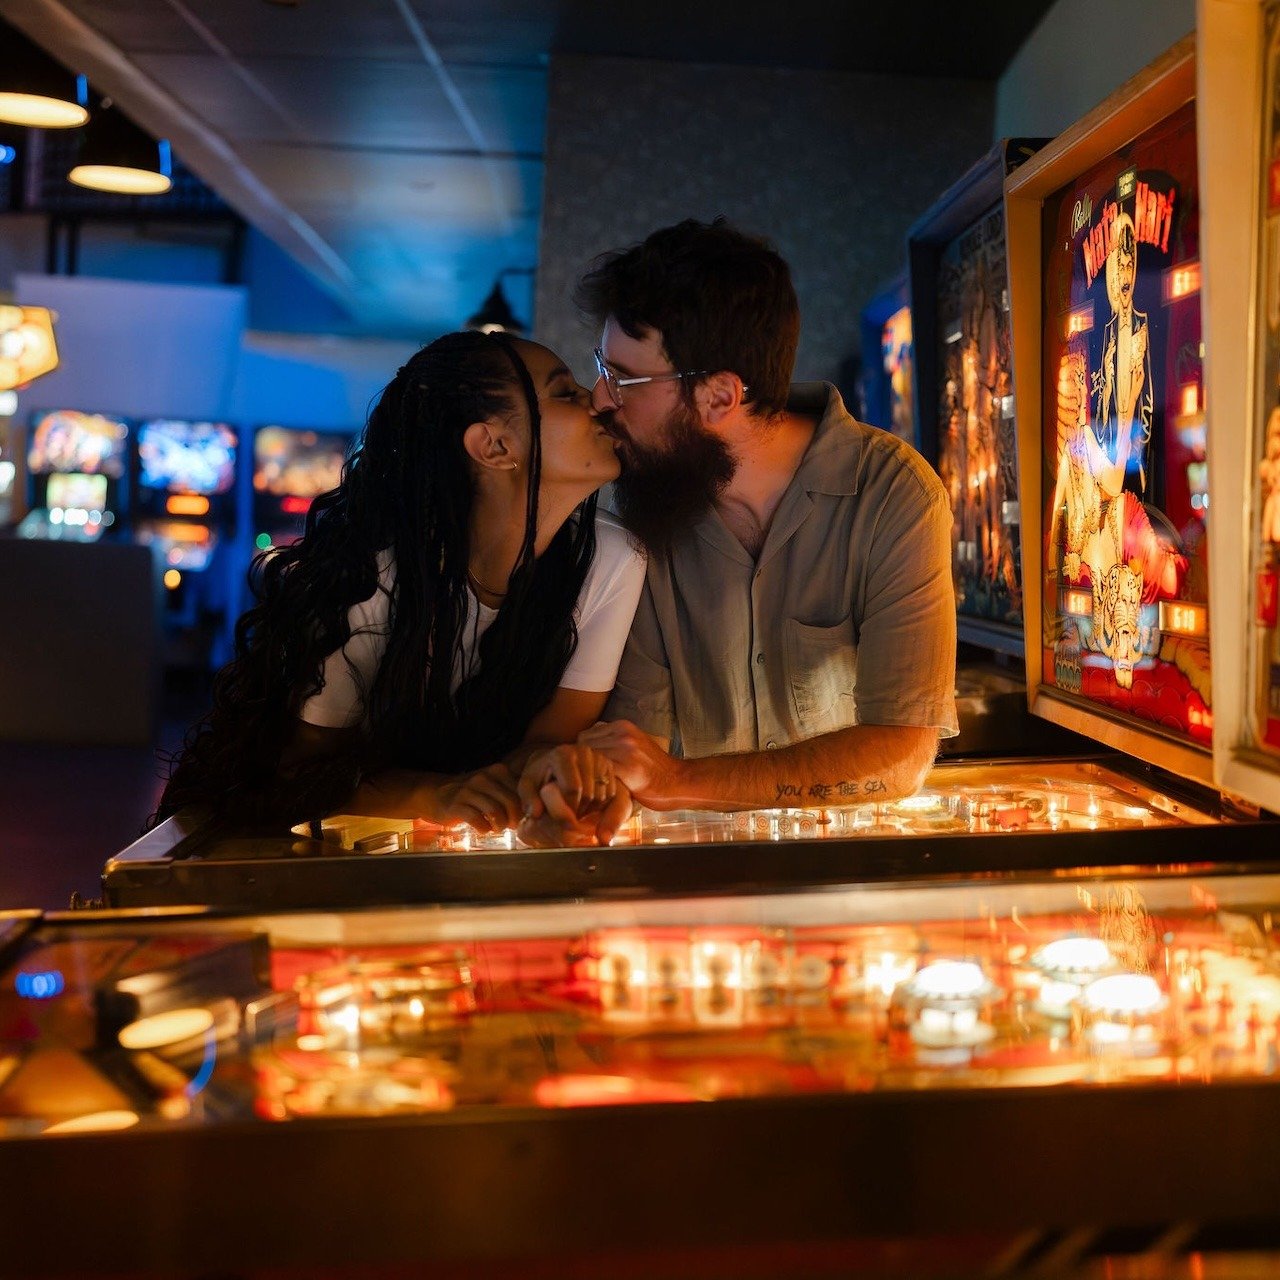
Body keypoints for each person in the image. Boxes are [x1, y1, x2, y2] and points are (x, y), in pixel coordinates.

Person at [155, 330, 645, 844]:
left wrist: (548, 783)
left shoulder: (614, 559)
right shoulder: (376, 574)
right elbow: (296, 770)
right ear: (494, 446)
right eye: (565, 393)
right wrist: (437, 795)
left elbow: (549, 740)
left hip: (465, 847)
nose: (598, 402)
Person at [572, 217, 959, 813]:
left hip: (850, 884)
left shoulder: (893, 497)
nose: (599, 399)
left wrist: (677, 782)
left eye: (622, 379)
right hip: (704, 881)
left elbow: (901, 752)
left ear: (720, 397)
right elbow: (636, 744)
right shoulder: (641, 507)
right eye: (603, 368)